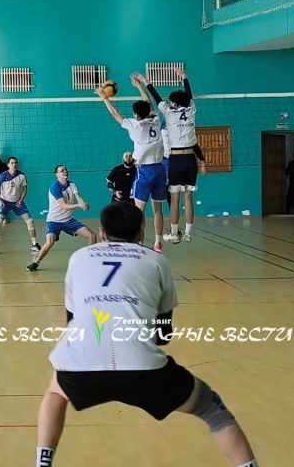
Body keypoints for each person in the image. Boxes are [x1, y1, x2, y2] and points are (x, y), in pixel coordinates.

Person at [35, 201, 259, 467]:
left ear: (102, 233)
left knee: (55, 394)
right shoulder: (156, 260)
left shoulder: (79, 258)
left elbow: (72, 321)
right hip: (142, 368)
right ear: (141, 233)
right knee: (211, 408)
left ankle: (42, 464)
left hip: (80, 366)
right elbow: (163, 335)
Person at [96, 75, 166, 252]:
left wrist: (104, 97)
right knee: (158, 209)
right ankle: (158, 243)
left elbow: (115, 114)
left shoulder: (135, 126)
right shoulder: (155, 119)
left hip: (145, 172)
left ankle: (138, 244)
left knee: (138, 211)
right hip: (160, 169)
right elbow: (147, 102)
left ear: (136, 115)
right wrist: (139, 86)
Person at [137, 67, 206, 244]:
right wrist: (185, 77)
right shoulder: (191, 110)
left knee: (174, 199)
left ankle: (175, 234)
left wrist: (145, 82)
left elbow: (156, 98)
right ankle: (188, 234)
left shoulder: (168, 113)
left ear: (174, 103)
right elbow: (189, 96)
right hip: (190, 159)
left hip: (175, 159)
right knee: (188, 198)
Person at [26, 165, 95, 272]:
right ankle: (36, 263)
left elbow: (79, 198)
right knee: (50, 242)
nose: (65, 171)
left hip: (68, 220)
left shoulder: (72, 185)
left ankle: (91, 261)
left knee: (92, 235)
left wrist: (84, 205)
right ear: (57, 174)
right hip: (54, 221)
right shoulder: (55, 187)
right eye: (62, 170)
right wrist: (79, 206)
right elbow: (64, 206)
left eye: (66, 170)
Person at [0, 156, 41, 255]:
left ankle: (34, 244)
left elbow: (25, 189)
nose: (14, 164)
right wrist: (0, 201)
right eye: (12, 163)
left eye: (16, 163)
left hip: (17, 202)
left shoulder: (21, 176)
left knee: (30, 221)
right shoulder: (2, 176)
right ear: (8, 165)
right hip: (4, 202)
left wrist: (21, 200)